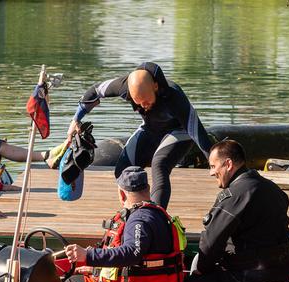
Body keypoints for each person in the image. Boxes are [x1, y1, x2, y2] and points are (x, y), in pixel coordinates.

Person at [65, 61, 212, 209]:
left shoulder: (174, 96)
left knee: (159, 165)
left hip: (179, 132)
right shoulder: (123, 86)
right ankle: (132, 213)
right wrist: (75, 120)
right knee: (122, 170)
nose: (143, 107)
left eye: (146, 101)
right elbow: (95, 91)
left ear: (155, 86)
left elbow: (198, 132)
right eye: (138, 103)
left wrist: (214, 163)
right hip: (150, 130)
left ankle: (157, 217)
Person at [63, 166, 193, 282]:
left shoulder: (139, 219)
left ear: (121, 193)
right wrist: (94, 266)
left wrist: (88, 255)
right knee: (77, 281)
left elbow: (132, 252)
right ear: (148, 188)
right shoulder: (156, 213)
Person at [184, 139, 289, 282]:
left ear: (228, 164)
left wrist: (200, 270)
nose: (211, 173)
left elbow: (211, 243)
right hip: (283, 274)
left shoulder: (235, 195)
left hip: (249, 278)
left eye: (213, 166)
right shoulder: (272, 189)